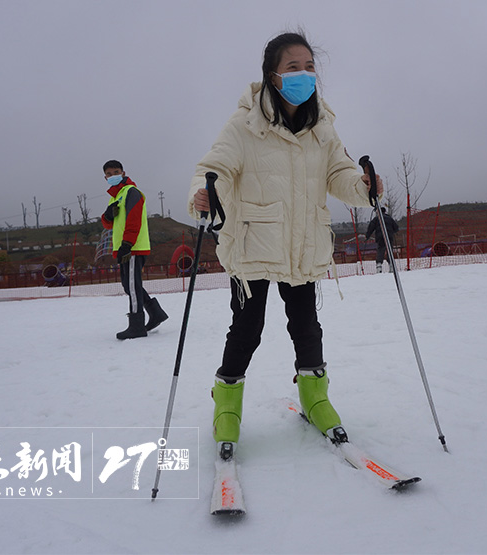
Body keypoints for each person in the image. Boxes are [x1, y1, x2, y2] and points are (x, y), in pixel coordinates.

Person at [187, 31, 382, 459]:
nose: (304, 74)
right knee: (247, 329)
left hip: (302, 244)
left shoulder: (322, 126)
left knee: (307, 327)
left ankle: (315, 398)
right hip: (254, 243)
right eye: (293, 67)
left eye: (310, 67)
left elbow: (340, 175)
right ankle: (227, 407)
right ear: (273, 76)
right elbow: (214, 167)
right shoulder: (245, 124)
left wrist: (363, 186)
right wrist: (206, 193)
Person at [101, 160, 168, 339]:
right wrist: (107, 216)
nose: (113, 176)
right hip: (125, 248)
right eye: (109, 174)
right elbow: (110, 224)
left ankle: (136, 325)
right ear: (105, 177)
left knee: (132, 286)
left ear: (123, 173)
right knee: (129, 285)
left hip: (133, 248)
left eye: (116, 172)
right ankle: (156, 313)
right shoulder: (115, 196)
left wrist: (127, 245)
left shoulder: (131, 192)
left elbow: (134, 220)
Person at [365, 206, 399, 273]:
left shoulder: (376, 218)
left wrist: (367, 236)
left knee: (380, 250)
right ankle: (391, 266)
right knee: (389, 250)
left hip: (380, 237)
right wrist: (392, 231)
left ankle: (379, 266)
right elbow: (396, 228)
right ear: (385, 211)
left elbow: (371, 227)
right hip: (389, 236)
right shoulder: (390, 218)